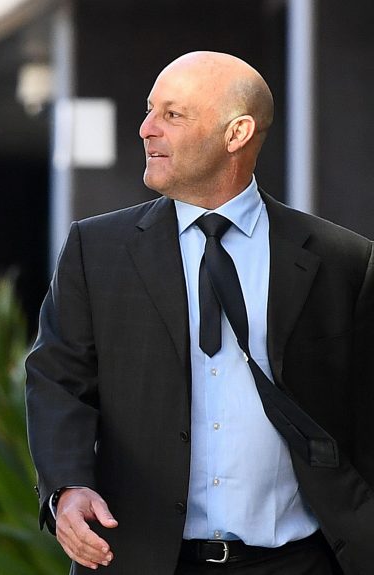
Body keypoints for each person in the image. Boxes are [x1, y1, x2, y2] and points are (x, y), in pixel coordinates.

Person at [25, 51, 373, 574]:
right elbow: (56, 380)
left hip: (301, 562)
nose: (145, 129)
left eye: (173, 115)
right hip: (140, 559)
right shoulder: (95, 249)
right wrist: (68, 487)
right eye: (149, 111)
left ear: (236, 134)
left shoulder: (342, 260)